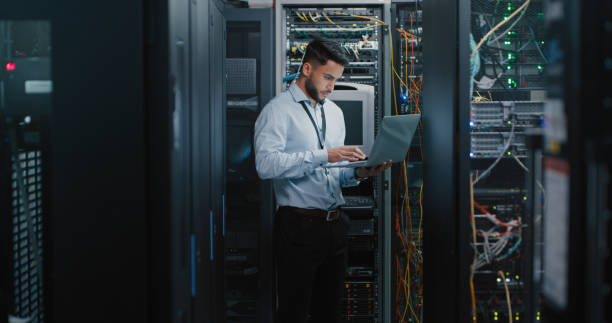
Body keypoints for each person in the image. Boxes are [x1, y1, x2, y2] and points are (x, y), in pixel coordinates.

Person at [254, 37, 391, 323]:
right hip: (297, 226)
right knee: (292, 312)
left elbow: (332, 172)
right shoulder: (277, 111)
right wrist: (324, 155)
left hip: (334, 225)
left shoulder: (334, 112)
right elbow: (265, 166)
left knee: (329, 313)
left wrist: (358, 172)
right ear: (306, 69)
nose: (331, 86)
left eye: (336, 79)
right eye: (327, 77)